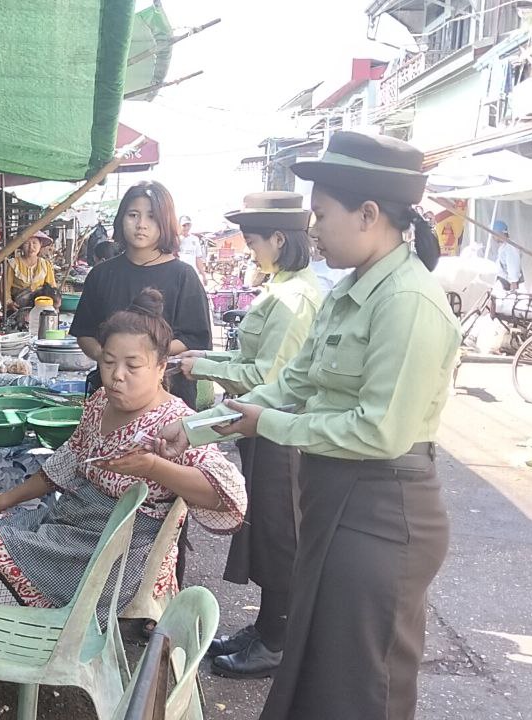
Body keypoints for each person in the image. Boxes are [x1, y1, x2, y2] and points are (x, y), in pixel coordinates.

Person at [158, 131, 460, 720]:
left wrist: (267, 424)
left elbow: (380, 432)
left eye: (321, 214)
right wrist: (194, 429)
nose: (313, 229)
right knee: (320, 669)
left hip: (382, 511)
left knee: (364, 684)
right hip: (336, 499)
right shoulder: (349, 293)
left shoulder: (407, 302)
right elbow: (289, 384)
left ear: (368, 214)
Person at [0, 290, 245, 618]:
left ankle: (11, 626)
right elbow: (68, 459)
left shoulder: (176, 423)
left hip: (114, 555)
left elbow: (227, 497)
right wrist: (8, 498)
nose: (117, 375)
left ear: (161, 367)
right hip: (70, 524)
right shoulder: (101, 401)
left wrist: (152, 467)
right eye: (107, 362)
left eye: (133, 365)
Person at [175, 192, 321, 679]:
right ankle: (266, 628)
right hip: (264, 427)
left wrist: (202, 390)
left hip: (281, 431)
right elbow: (251, 362)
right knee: (266, 532)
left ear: (279, 239)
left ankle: (277, 642)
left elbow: (268, 379)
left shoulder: (295, 300)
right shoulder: (281, 287)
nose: (249, 251)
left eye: (254, 242)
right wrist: (204, 360)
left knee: (280, 536)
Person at [71, 180, 212, 409]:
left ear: (165, 222)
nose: (141, 225)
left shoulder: (184, 276)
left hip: (169, 397)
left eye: (152, 217)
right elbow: (84, 332)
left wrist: (142, 357)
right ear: (121, 219)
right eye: (133, 215)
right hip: (110, 397)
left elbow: (195, 339)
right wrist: (106, 357)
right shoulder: (101, 274)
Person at [2, 231, 58, 312]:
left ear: (40, 244)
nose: (31, 247)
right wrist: (9, 303)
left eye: (34, 243)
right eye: (27, 243)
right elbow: (4, 289)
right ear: (21, 245)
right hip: (17, 309)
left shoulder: (45, 265)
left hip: (41, 309)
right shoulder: (13, 264)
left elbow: (52, 288)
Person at [493, 220, 524, 291]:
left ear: (499, 233)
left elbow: (513, 264)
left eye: (493, 234)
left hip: (508, 282)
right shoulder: (504, 247)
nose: (492, 236)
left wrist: (513, 282)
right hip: (504, 280)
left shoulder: (510, 247)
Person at [177, 215, 207, 281]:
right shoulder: (175, 239)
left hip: (193, 273)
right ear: (179, 226)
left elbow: (198, 258)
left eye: (188, 225)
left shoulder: (195, 239)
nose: (186, 228)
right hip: (179, 274)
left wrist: (203, 275)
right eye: (184, 225)